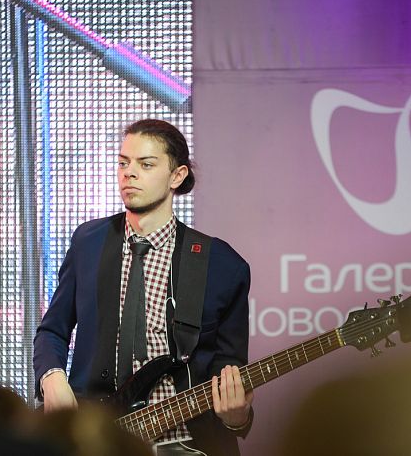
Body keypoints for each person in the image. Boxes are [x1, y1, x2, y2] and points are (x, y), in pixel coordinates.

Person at [34, 119, 253, 455]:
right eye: (124, 163)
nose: (129, 173)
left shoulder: (222, 264)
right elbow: (52, 330)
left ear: (177, 176)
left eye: (146, 164)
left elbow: (230, 373)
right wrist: (51, 377)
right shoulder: (88, 242)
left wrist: (237, 418)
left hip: (184, 442)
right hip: (97, 439)